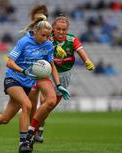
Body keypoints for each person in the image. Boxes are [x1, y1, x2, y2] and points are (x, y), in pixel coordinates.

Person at [0, 15, 69, 153]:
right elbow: (9, 62)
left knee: (4, 118)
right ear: (36, 31)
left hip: (26, 84)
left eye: (48, 36)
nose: (46, 38)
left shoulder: (48, 45)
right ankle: (23, 143)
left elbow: (52, 66)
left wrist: (58, 84)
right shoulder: (24, 42)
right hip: (13, 79)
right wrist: (23, 71)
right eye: (43, 35)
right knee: (27, 105)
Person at [24, 15, 95, 144]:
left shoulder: (71, 40)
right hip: (46, 73)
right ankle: (31, 132)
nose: (61, 32)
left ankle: (38, 129)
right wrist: (54, 47)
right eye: (58, 29)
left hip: (64, 76)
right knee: (40, 100)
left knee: (48, 106)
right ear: (53, 29)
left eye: (64, 29)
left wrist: (87, 61)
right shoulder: (47, 37)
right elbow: (33, 38)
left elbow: (81, 50)